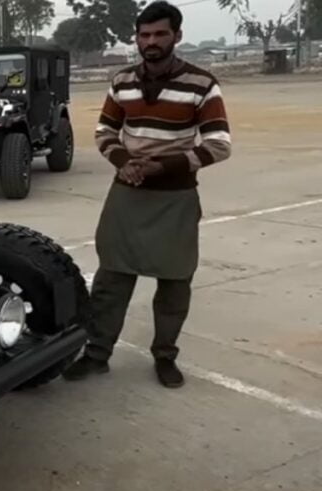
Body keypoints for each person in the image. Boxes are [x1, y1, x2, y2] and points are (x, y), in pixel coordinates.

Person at [62, 1, 232, 388]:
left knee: (174, 282)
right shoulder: (121, 80)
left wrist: (164, 166)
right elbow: (105, 132)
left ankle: (165, 357)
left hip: (175, 196)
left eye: (160, 34)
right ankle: (96, 354)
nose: (151, 42)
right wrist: (123, 160)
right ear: (137, 38)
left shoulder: (201, 84)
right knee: (111, 279)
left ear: (177, 36)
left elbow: (219, 144)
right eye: (144, 35)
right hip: (128, 192)